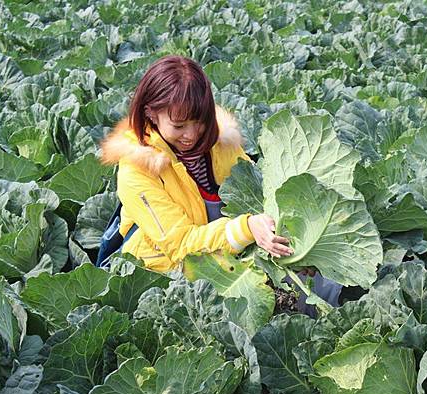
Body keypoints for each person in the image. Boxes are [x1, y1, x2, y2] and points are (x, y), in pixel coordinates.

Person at [99, 55, 293, 273]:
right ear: (151, 114)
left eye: (199, 121)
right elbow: (180, 245)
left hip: (229, 255)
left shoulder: (223, 144)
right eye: (179, 126)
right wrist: (247, 228)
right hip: (164, 272)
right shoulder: (136, 170)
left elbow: (260, 197)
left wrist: (287, 239)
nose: (191, 135)